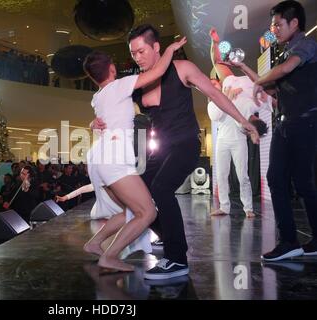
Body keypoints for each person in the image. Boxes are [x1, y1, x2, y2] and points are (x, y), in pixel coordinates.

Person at [91, 24, 259, 279]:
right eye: (133, 53)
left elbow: (215, 94)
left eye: (142, 51)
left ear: (156, 47)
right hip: (161, 149)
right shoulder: (137, 85)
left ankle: (177, 259)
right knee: (142, 195)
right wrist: (94, 123)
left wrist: (243, 122)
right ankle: (168, 236)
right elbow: (108, 106)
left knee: (160, 189)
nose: (138, 57)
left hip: (186, 143)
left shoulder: (182, 68)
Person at [83, 36, 188, 273]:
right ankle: (110, 255)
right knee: (147, 212)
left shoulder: (97, 97)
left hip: (99, 159)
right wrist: (170, 48)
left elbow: (100, 120)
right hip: (115, 161)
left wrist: (92, 124)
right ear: (112, 69)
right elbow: (158, 71)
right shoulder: (120, 86)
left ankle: (95, 243)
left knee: (128, 211)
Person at [249, 0, 316, 261]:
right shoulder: (287, 51)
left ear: (294, 22)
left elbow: (287, 69)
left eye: (278, 24)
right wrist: (257, 81)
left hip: (305, 121)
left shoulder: (305, 45)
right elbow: (278, 89)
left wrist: (259, 82)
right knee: (277, 177)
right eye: (272, 25)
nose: (273, 29)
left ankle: (295, 240)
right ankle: (289, 241)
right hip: (285, 123)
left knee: (302, 182)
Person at [207, 27, 272, 218]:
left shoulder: (255, 100)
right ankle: (224, 207)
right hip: (222, 138)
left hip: (237, 141)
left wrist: (253, 133)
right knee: (221, 174)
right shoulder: (230, 80)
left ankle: (248, 208)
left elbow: (270, 101)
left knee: (243, 175)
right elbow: (216, 60)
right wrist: (215, 42)